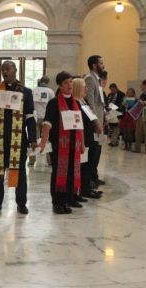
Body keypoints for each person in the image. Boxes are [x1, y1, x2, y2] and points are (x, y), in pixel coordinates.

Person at [0, 61, 37, 215]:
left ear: (15, 70)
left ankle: (21, 203)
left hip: (18, 140)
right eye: (2, 69)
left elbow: (30, 117)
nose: (5, 71)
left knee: (19, 172)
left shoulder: (26, 92)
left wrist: (32, 138)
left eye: (8, 69)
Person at [38, 72, 85, 214]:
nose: (69, 85)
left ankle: (69, 199)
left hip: (74, 145)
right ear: (60, 85)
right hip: (60, 145)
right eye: (66, 83)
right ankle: (57, 202)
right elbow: (47, 124)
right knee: (59, 172)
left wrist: (82, 144)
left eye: (71, 82)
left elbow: (79, 125)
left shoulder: (76, 103)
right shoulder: (54, 103)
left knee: (72, 172)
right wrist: (43, 142)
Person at [73, 77, 103, 201]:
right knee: (83, 166)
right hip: (83, 138)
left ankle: (87, 188)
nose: (86, 89)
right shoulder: (76, 103)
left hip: (89, 136)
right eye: (84, 86)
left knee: (88, 165)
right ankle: (83, 190)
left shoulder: (83, 101)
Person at [84, 55, 106, 187]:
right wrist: (96, 122)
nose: (103, 65)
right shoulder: (90, 79)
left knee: (97, 151)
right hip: (94, 124)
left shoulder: (97, 80)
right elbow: (90, 103)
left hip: (100, 120)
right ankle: (90, 179)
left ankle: (94, 176)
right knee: (93, 152)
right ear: (94, 65)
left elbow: (99, 102)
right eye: (101, 63)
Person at [30, 76, 55, 166]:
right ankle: (49, 160)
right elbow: (53, 105)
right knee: (47, 139)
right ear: (48, 82)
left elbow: (31, 104)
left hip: (35, 117)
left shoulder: (34, 90)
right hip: (46, 118)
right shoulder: (50, 91)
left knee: (34, 139)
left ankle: (32, 160)